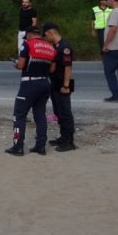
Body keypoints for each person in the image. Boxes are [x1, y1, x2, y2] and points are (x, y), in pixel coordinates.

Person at [5, 26, 56, 156]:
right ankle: (40, 146)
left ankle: (18, 146)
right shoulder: (51, 47)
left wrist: (16, 64)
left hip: (29, 84)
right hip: (45, 83)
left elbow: (21, 65)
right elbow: (52, 70)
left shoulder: (27, 45)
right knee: (40, 115)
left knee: (19, 115)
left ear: (29, 34)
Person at [43, 22, 76, 152]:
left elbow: (68, 67)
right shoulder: (56, 46)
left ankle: (69, 141)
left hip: (63, 84)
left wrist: (66, 85)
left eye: (46, 35)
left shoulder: (64, 47)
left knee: (65, 112)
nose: (46, 38)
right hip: (55, 83)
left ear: (51, 33)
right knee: (58, 112)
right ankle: (63, 137)